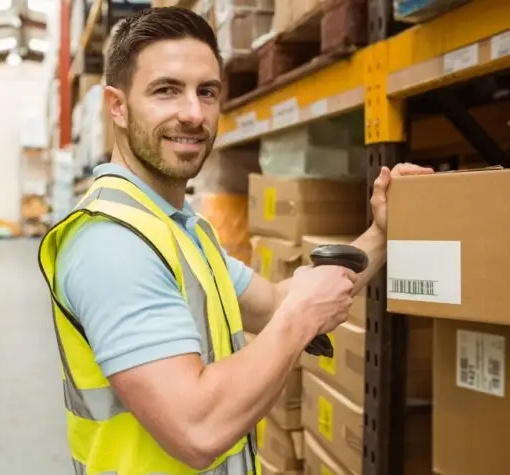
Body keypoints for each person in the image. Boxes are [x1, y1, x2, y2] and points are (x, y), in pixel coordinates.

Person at [37, 7, 433, 474]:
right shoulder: (112, 245)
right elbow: (197, 430)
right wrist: (301, 318)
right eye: (166, 90)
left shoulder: (177, 229)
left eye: (206, 92)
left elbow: (277, 302)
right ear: (117, 106)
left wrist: (380, 234)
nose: (193, 114)